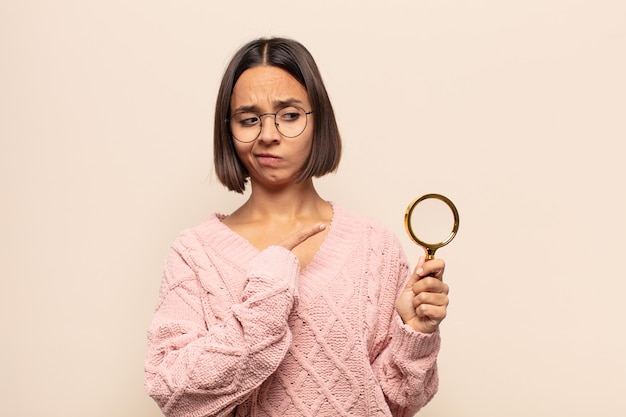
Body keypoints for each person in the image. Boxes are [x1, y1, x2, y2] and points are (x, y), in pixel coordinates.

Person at [144, 37, 450, 417]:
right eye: (248, 119)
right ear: (229, 130)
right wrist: (270, 292)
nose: (268, 135)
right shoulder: (195, 253)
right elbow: (174, 394)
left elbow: (398, 403)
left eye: (289, 115)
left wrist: (415, 334)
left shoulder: (376, 246)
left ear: (318, 120)